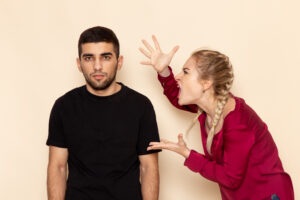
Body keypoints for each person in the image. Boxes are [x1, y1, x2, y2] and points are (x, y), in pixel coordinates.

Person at [139, 36, 294, 200]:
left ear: (206, 83)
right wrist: (163, 70)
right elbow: (177, 97)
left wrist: (188, 154)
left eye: (185, 72)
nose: (177, 76)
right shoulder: (208, 109)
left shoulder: (238, 122)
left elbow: (230, 178)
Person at [46, 27, 161, 200]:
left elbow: (149, 168)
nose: (97, 66)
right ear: (79, 64)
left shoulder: (141, 106)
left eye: (105, 57)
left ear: (119, 61)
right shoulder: (64, 106)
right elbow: (58, 167)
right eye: (88, 58)